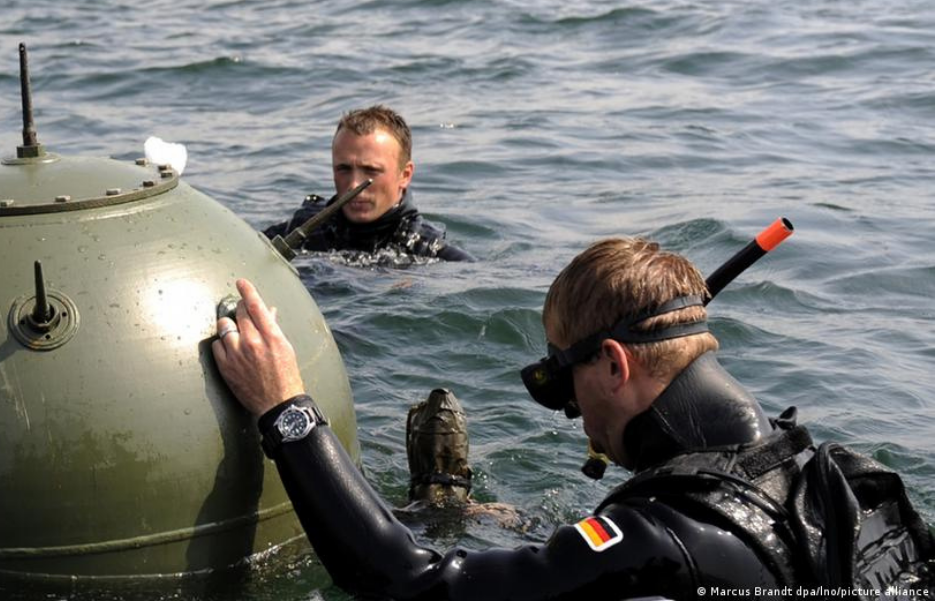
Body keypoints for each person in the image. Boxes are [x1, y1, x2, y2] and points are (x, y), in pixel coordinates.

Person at [210, 239, 933, 599]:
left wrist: (287, 411)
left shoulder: (661, 537)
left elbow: (413, 583)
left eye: (563, 383)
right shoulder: (849, 481)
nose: (569, 415)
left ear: (614, 365)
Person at [262, 105, 473, 262]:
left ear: (405, 175)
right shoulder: (302, 231)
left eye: (371, 170)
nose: (354, 184)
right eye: (343, 169)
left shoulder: (430, 254)